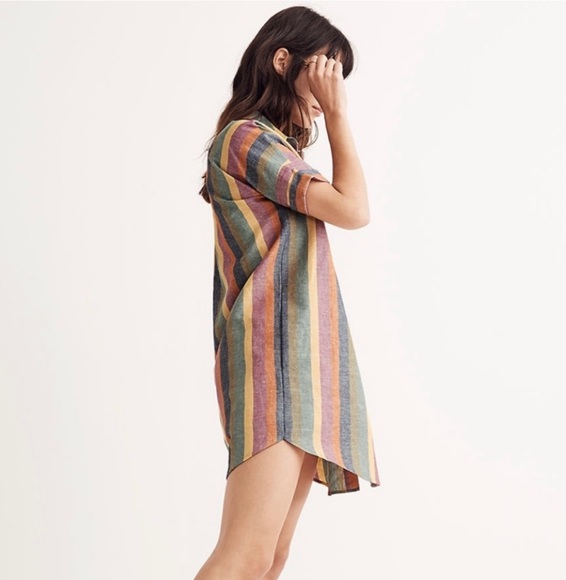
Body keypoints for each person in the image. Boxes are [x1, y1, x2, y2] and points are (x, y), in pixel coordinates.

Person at [194, 6, 380, 579]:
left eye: (337, 80)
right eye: (324, 72)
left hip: (300, 359)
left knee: (270, 558)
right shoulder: (246, 139)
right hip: (271, 358)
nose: (328, 93)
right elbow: (353, 209)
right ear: (283, 61)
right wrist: (341, 117)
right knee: (246, 554)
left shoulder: (278, 147)